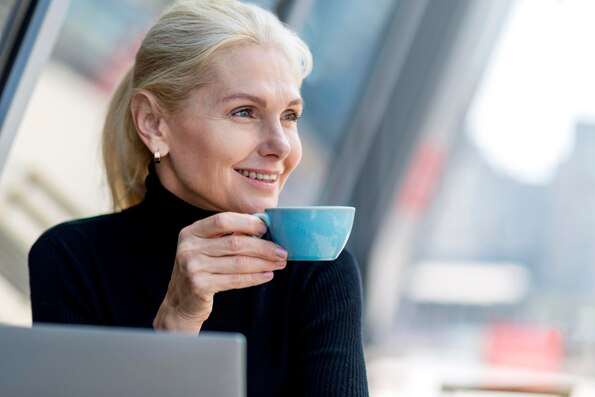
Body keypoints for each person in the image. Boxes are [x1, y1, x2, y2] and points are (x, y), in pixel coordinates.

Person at [27, 0, 369, 395]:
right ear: (153, 123)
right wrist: (176, 324)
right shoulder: (71, 261)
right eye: (244, 112)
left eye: (290, 116)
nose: (281, 146)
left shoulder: (318, 270)